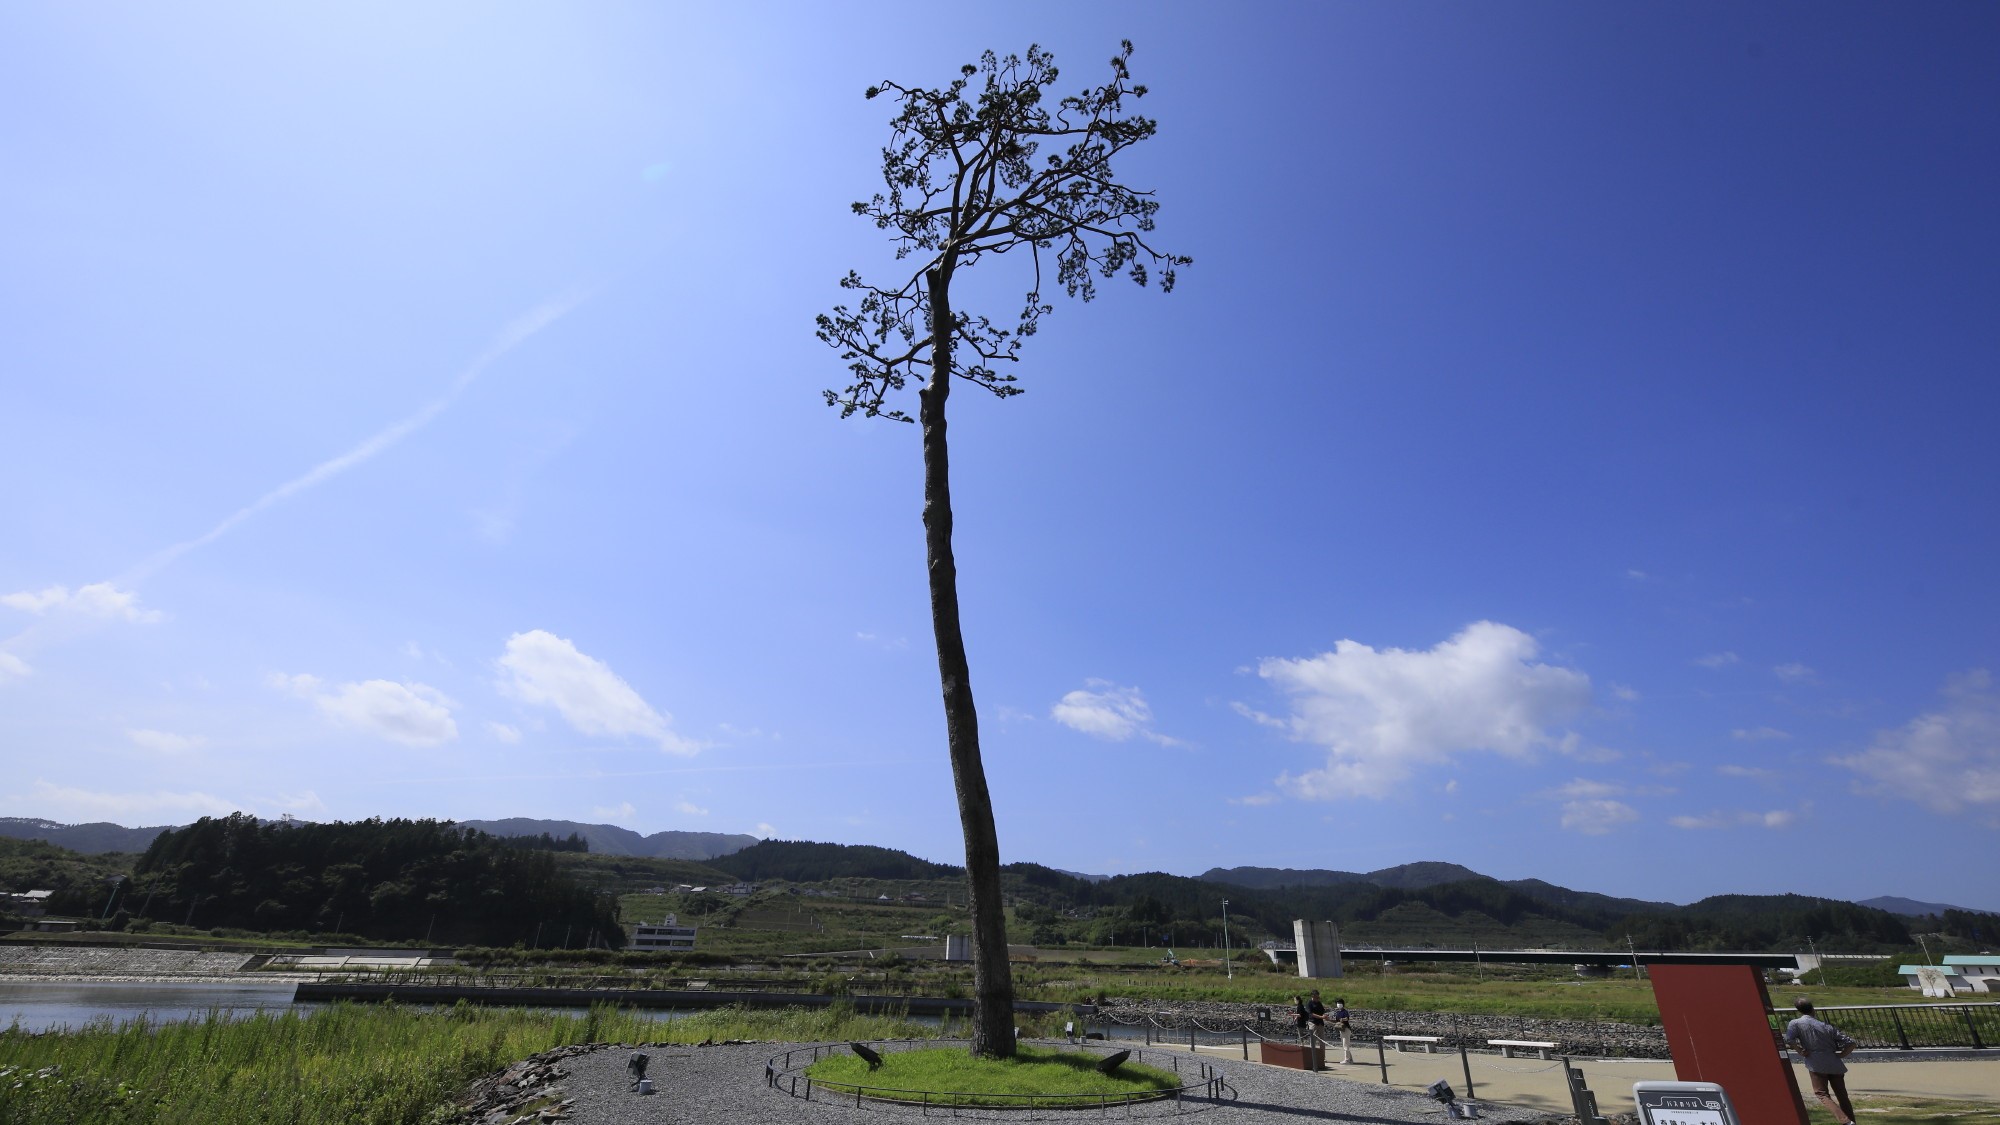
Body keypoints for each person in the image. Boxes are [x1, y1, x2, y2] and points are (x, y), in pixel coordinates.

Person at [1784, 998, 1856, 1125]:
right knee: (1842, 1096)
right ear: (1813, 1009)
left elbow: (1789, 1040)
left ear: (1798, 1010)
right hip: (1834, 1062)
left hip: (1815, 1062)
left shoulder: (1795, 1023)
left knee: (1821, 1094)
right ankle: (1852, 1120)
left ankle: (1845, 1121)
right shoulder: (1826, 1026)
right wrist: (1842, 1055)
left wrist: (1800, 1050)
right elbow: (1850, 1043)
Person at [1331, 997, 1355, 1064]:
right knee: (1344, 1044)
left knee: (1345, 1044)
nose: (1339, 1004)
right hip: (1341, 1030)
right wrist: (1328, 1020)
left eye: (1340, 1003)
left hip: (1346, 1029)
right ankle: (1350, 1059)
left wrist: (1343, 1019)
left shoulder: (1345, 1011)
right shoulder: (1338, 1012)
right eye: (1338, 1003)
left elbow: (1347, 1018)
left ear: (1343, 1004)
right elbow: (1336, 1021)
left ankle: (1347, 1060)